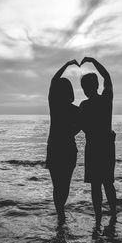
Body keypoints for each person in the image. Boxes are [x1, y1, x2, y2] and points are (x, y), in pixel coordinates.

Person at [79, 57, 117, 228]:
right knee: (108, 183)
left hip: (94, 147)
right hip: (107, 146)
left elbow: (83, 127)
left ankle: (98, 218)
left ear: (85, 90)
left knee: (96, 186)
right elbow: (107, 77)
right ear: (96, 86)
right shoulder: (106, 99)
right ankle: (114, 214)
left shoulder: (84, 106)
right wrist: (93, 61)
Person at [45, 60, 80, 224]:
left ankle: (60, 212)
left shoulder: (55, 105)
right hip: (68, 150)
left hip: (55, 149)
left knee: (57, 186)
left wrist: (66, 65)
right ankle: (61, 212)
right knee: (64, 185)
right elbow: (81, 126)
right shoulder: (74, 109)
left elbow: (53, 81)